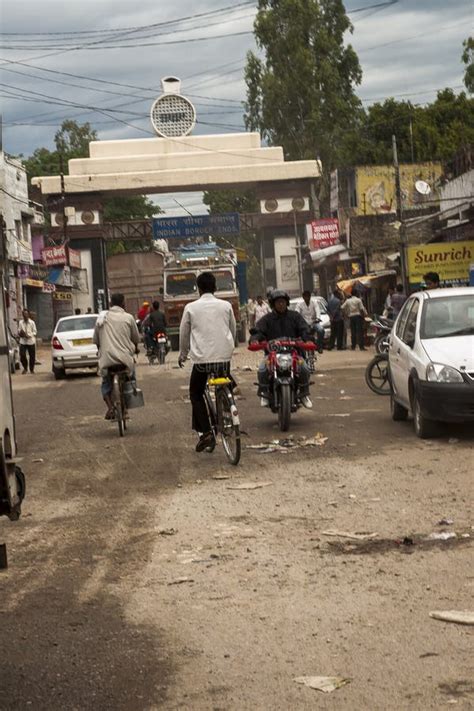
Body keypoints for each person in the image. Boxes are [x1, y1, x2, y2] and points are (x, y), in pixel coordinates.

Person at [178, 272, 236, 452]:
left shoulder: (191, 308)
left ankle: (206, 433)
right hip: (223, 359)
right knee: (227, 382)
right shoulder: (226, 306)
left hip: (202, 361)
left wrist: (183, 354)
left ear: (198, 289)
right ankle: (227, 407)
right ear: (215, 287)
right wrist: (227, 350)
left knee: (195, 393)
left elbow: (184, 334)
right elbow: (232, 330)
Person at [252, 289, 313, 409]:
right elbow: (258, 331)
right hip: (272, 354)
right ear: (273, 304)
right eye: (278, 302)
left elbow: (304, 329)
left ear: (287, 303)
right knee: (262, 369)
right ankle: (264, 393)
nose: (281, 304)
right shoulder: (267, 319)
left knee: (305, 368)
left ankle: (304, 394)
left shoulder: (295, 316)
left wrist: (308, 339)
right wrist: (255, 339)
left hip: (294, 353)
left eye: (283, 302)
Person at [93, 293, 140, 420]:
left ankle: (110, 408)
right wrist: (135, 348)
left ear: (110, 304)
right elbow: (136, 338)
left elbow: (96, 340)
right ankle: (129, 401)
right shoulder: (128, 318)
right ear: (123, 304)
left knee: (106, 382)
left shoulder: (101, 318)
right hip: (125, 359)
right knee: (131, 377)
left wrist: (100, 352)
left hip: (107, 360)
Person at [18, 309, 37, 374]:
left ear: (28, 315)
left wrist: (29, 335)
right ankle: (25, 368)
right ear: (22, 315)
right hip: (23, 341)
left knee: (32, 356)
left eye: (26, 314)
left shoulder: (32, 322)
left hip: (30, 341)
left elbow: (35, 332)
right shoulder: (20, 322)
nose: (25, 315)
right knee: (22, 355)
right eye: (24, 314)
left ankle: (31, 369)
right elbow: (19, 330)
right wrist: (21, 333)